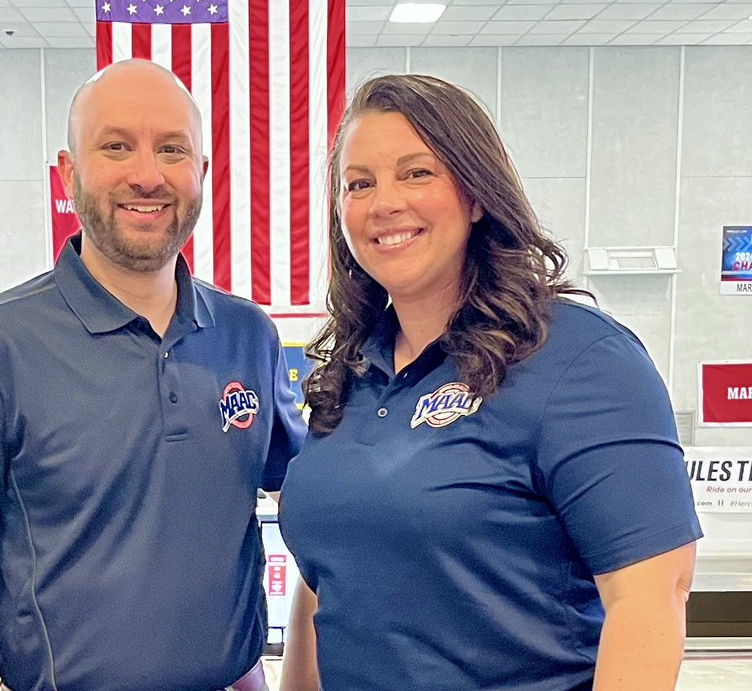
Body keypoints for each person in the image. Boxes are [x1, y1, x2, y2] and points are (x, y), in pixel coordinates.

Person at [277, 74, 702, 691]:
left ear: (476, 194)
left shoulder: (581, 358)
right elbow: (322, 588)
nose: (384, 202)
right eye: (358, 183)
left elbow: (651, 597)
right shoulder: (351, 372)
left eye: (416, 173)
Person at [0, 59, 305, 691]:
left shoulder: (248, 335)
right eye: (116, 146)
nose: (147, 175)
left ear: (202, 174)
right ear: (69, 174)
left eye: (172, 149)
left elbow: (315, 506)